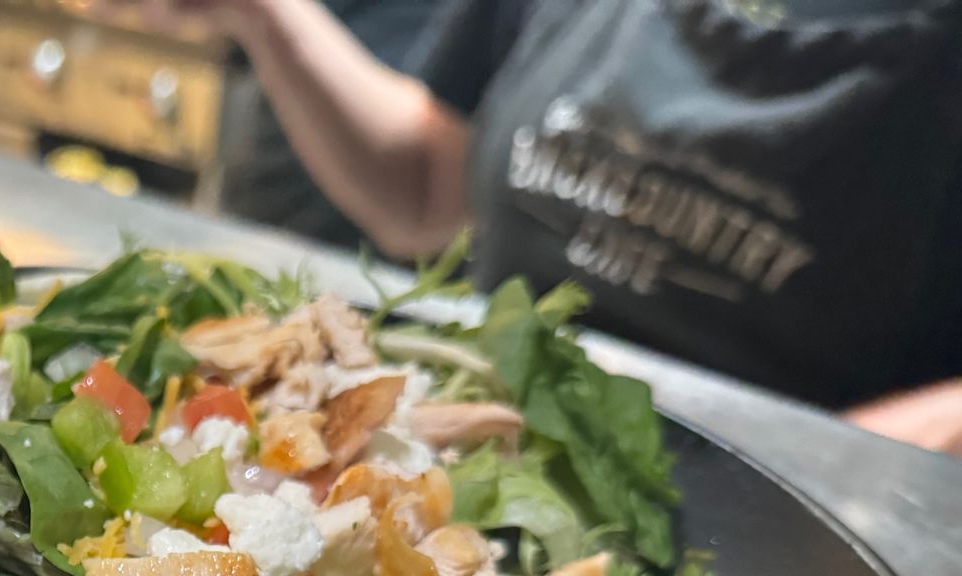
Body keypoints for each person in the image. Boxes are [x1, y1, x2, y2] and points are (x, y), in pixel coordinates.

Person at [160, 0, 962, 455]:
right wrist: (261, 13)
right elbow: (425, 193)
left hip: (758, 559)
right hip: (461, 463)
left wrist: (808, 467)